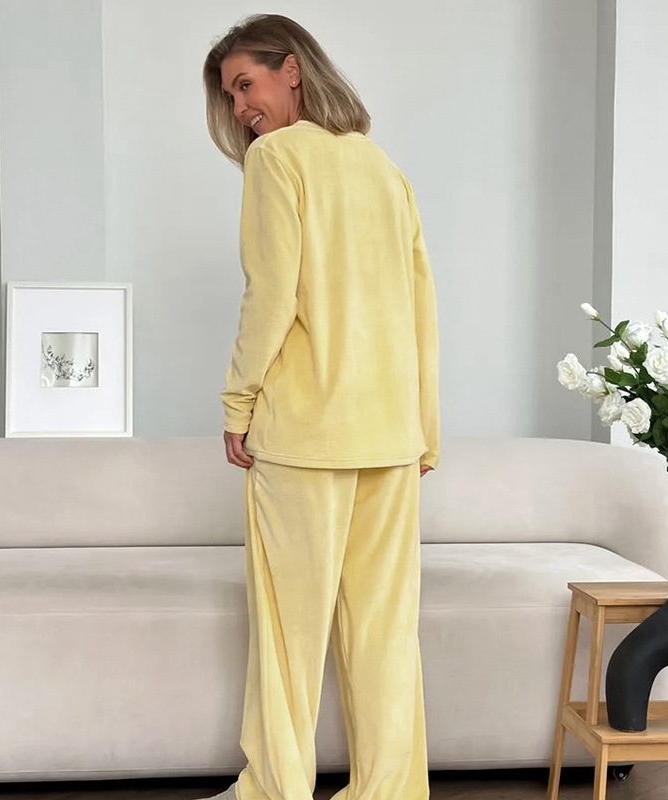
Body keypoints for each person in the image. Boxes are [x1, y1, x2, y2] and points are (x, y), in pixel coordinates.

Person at [201, 14, 439, 800]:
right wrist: (426, 430)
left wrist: (237, 403)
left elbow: (270, 296)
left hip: (305, 437)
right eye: (230, 95)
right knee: (384, 635)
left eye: (245, 84)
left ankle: (276, 791)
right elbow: (419, 308)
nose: (240, 107)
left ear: (292, 69)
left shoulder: (276, 159)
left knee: (288, 637)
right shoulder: (383, 167)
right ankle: (390, 793)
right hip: (390, 437)